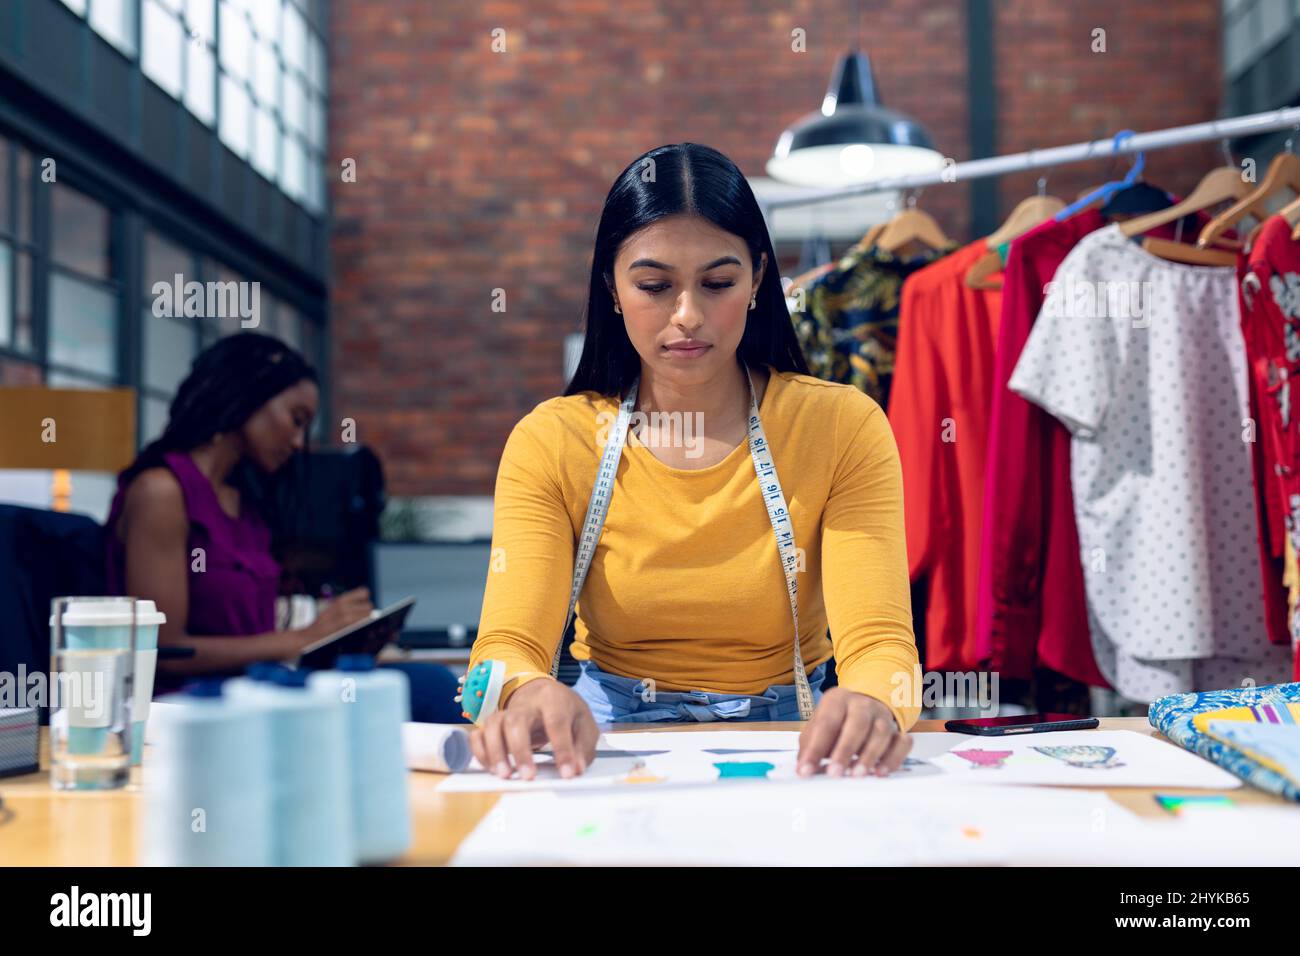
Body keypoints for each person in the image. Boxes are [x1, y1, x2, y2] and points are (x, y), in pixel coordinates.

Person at [467, 143, 920, 779]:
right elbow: (502, 649)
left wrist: (876, 701)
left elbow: (883, 646)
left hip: (800, 733)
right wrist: (520, 692)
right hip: (606, 739)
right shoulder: (552, 441)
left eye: (718, 283)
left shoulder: (841, 427)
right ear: (613, 289)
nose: (687, 315)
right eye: (654, 285)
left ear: (760, 279)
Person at [105, 332, 464, 722]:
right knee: (427, 690)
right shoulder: (162, 493)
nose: (297, 442)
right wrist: (301, 639)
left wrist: (334, 640)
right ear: (247, 396)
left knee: (431, 683)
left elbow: (258, 638)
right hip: (194, 704)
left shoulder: (246, 504)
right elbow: (165, 649)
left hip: (260, 687)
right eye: (296, 420)